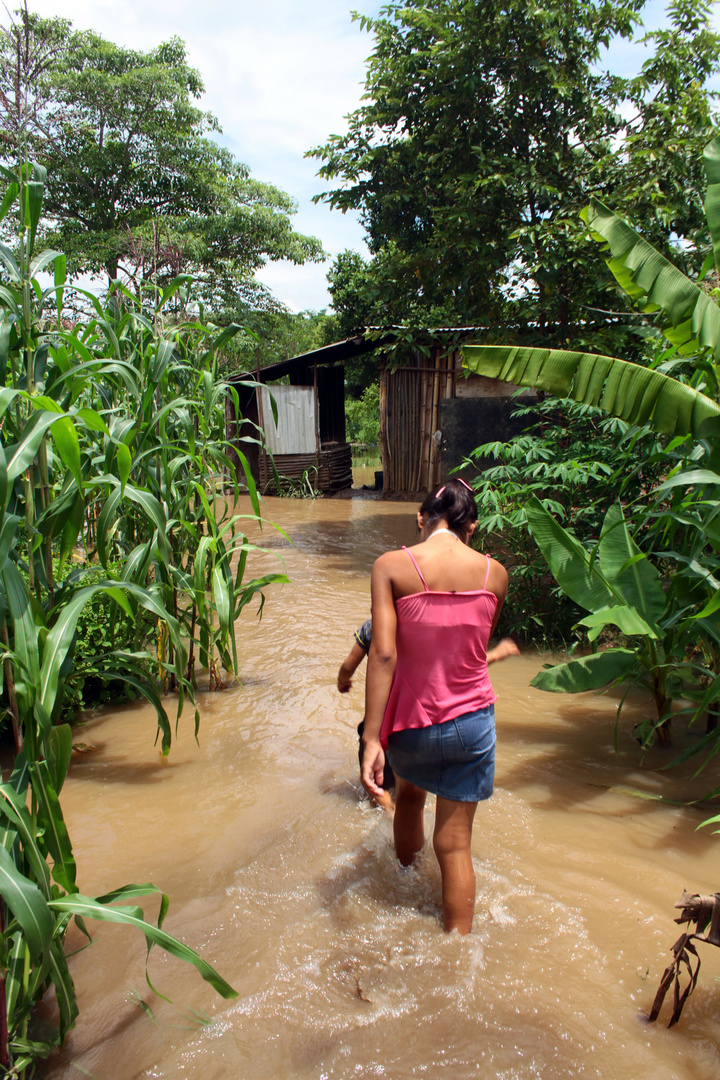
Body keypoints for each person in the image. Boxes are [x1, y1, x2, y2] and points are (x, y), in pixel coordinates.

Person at [360, 477, 519, 934]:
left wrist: (372, 737)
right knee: (455, 845)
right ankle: (457, 952)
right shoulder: (496, 574)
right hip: (472, 722)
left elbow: (384, 654)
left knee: (408, 799)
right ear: (472, 526)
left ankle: (405, 890)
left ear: (421, 519)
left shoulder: (391, 566)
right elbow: (469, 650)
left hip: (412, 724)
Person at [337, 619, 395, 813]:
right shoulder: (420, 624)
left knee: (375, 785)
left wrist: (342, 680)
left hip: (380, 724)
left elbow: (348, 666)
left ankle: (390, 813)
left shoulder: (372, 627)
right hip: (415, 721)